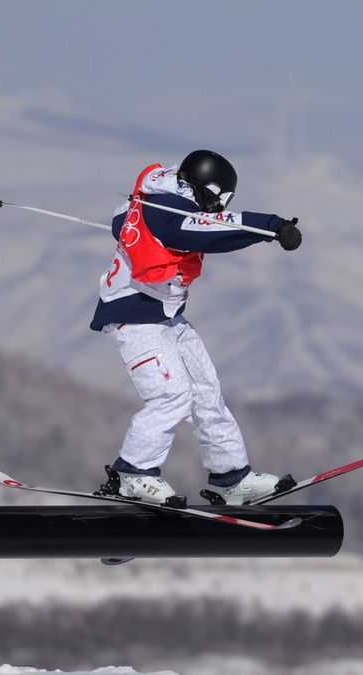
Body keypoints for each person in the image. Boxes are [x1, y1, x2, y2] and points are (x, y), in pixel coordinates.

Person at [89, 150, 302, 505]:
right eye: (221, 198)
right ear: (205, 187)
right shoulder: (168, 210)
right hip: (135, 319)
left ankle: (230, 477)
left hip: (166, 316)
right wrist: (273, 227)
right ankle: (133, 474)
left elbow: (121, 221)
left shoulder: (156, 202)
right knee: (171, 395)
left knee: (205, 391)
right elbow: (211, 232)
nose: (219, 206)